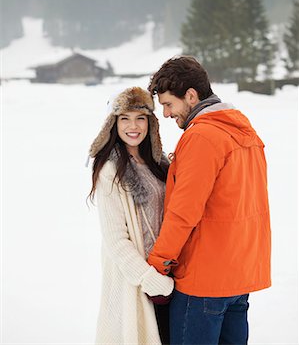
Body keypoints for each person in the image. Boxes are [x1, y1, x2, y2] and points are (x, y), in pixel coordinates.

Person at [147, 56, 271, 345]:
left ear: (191, 95)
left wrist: (157, 264)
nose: (165, 114)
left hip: (203, 284)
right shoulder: (244, 132)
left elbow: (183, 213)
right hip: (239, 277)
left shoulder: (202, 136)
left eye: (169, 104)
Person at [88, 87, 174, 345]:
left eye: (140, 117)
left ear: (150, 122)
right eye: (124, 118)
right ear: (113, 123)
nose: (133, 126)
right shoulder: (110, 168)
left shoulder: (158, 163)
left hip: (167, 273)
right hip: (137, 281)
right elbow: (115, 240)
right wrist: (150, 280)